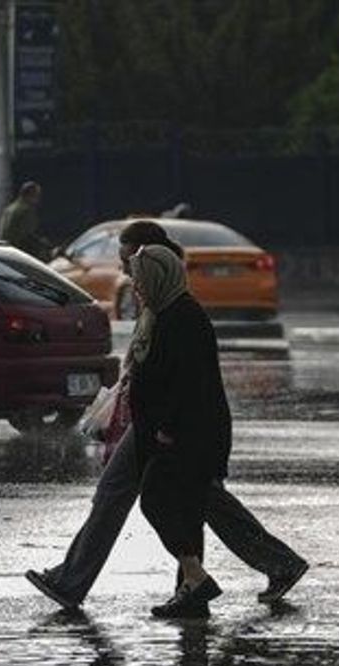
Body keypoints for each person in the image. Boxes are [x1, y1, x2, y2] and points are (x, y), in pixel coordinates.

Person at [25, 220, 307, 613]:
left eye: (129, 262)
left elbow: (185, 383)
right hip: (159, 422)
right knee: (198, 501)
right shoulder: (157, 301)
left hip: (170, 426)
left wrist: (164, 429)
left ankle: (79, 582)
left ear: (148, 258)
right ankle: (250, 572)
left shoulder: (177, 310)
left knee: (141, 497)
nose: (125, 272)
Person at [128, 243, 228, 617]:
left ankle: (195, 577)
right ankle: (191, 595)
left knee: (156, 500)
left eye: (140, 277)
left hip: (186, 436)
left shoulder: (183, 317)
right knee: (187, 513)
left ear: (158, 277)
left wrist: (167, 428)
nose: (135, 285)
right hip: (172, 434)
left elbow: (190, 383)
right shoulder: (159, 313)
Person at [0, 181, 54, 261]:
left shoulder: (9, 209)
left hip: (7, 249)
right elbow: (27, 235)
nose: (38, 198)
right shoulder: (26, 210)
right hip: (22, 252)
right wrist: (43, 244)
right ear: (30, 195)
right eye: (37, 195)